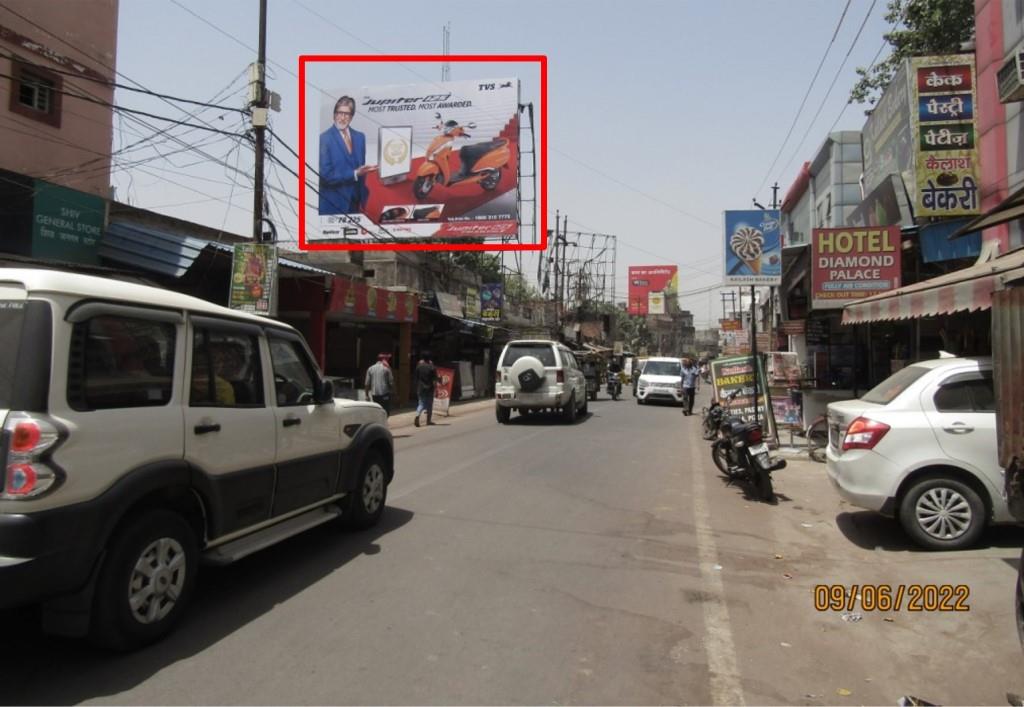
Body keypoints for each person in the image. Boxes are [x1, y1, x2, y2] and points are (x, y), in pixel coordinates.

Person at [319, 96, 377, 215]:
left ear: (351, 117)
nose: (342, 117)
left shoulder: (360, 137)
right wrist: (355, 174)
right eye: (339, 113)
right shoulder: (325, 138)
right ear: (334, 115)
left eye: (347, 114)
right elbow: (325, 176)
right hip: (333, 206)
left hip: (356, 204)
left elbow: (360, 168)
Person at [414, 351, 439, 427]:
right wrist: (436, 389)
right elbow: (434, 380)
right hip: (430, 388)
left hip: (420, 388)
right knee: (429, 404)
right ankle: (428, 421)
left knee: (421, 403)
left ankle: (417, 414)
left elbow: (416, 378)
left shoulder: (419, 366)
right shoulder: (432, 367)